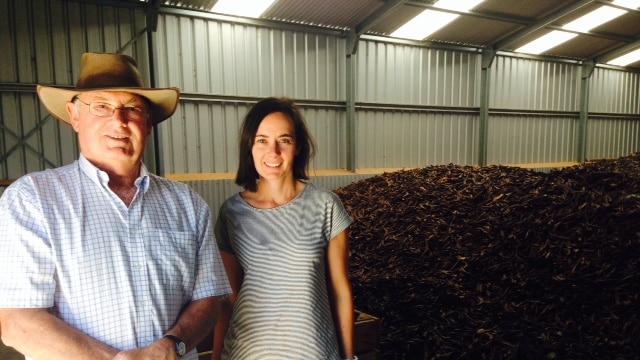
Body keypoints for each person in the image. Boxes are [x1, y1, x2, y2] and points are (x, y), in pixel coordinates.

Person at [0, 52, 231, 360]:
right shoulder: (33, 199)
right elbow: (16, 321)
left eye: (132, 108)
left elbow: (208, 300)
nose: (118, 121)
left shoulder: (187, 204)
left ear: (148, 123)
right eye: (102, 106)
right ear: (75, 116)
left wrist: (173, 344)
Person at [211, 97, 357, 360]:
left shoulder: (325, 205)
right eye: (262, 140)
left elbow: (340, 291)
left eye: (284, 141)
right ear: (250, 147)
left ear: (298, 147)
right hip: (246, 352)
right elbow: (228, 299)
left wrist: (348, 357)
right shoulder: (231, 213)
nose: (273, 152)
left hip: (313, 351)